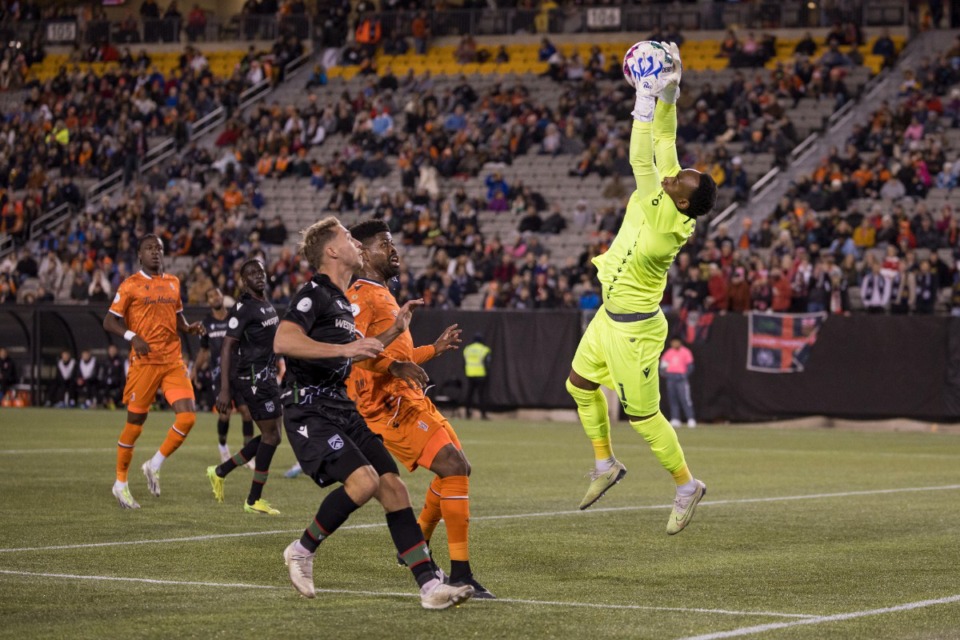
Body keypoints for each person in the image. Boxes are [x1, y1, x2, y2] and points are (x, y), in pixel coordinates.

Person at [272, 217, 474, 608]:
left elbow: (364, 350)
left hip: (340, 407)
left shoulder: (344, 299)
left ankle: (429, 587)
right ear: (332, 251)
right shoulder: (314, 293)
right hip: (308, 407)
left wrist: (394, 331)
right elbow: (284, 339)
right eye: (348, 238)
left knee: (393, 488)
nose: (356, 243)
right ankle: (302, 549)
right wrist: (345, 350)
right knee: (364, 483)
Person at [565, 42, 716, 535]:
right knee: (579, 384)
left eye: (682, 182)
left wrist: (646, 101)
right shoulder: (669, 195)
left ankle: (686, 485)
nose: (674, 176)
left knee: (644, 417)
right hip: (610, 315)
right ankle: (606, 465)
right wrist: (669, 93)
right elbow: (663, 142)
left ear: (686, 204)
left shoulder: (668, 220)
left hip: (636, 329)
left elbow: (643, 157)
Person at [346, 219, 494, 598]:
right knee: (453, 466)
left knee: (458, 468)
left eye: (393, 242)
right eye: (384, 243)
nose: (393, 249)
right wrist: (395, 367)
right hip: (388, 405)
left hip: (407, 396)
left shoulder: (382, 293)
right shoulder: (361, 295)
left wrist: (433, 349)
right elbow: (355, 353)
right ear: (362, 253)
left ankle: (413, 545)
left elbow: (400, 354)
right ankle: (460, 573)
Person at [103, 234, 205, 509]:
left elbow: (177, 315)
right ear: (139, 255)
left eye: (159, 248)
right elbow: (109, 321)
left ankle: (154, 464)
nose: (155, 252)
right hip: (144, 363)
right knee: (134, 425)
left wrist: (188, 328)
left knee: (187, 417)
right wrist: (131, 336)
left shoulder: (173, 282)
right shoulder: (130, 285)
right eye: (149, 248)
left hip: (172, 360)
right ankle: (120, 483)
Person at [206, 259, 285, 515]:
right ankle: (253, 499)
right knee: (272, 437)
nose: (258, 275)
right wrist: (225, 389)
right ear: (243, 280)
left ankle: (220, 471)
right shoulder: (243, 308)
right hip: (253, 379)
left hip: (267, 375)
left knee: (271, 436)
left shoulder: (265, 303)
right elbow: (228, 346)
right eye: (251, 273)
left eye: (260, 271)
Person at [193, 287, 255, 463]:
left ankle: (247, 455)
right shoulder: (206, 324)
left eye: (217, 294)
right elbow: (204, 351)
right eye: (211, 296)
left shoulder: (235, 319)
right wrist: (195, 370)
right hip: (220, 375)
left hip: (239, 372)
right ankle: (222, 446)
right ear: (208, 302)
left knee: (247, 412)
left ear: (222, 297)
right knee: (224, 414)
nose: (215, 298)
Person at [660, 338, 696, 428]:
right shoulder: (669, 353)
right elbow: (662, 367)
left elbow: (690, 366)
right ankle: (675, 418)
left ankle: (690, 418)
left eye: (676, 342)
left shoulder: (685, 352)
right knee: (673, 399)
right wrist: (666, 374)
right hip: (671, 378)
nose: (675, 344)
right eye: (673, 342)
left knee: (685, 399)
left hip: (681, 378)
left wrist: (684, 375)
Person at [462, 334, 491, 420]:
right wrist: (487, 373)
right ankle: (483, 414)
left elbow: (464, 363)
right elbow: (487, 364)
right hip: (481, 375)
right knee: (481, 395)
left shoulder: (467, 349)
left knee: (469, 395)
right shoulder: (485, 349)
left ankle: (467, 414)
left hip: (469, 374)